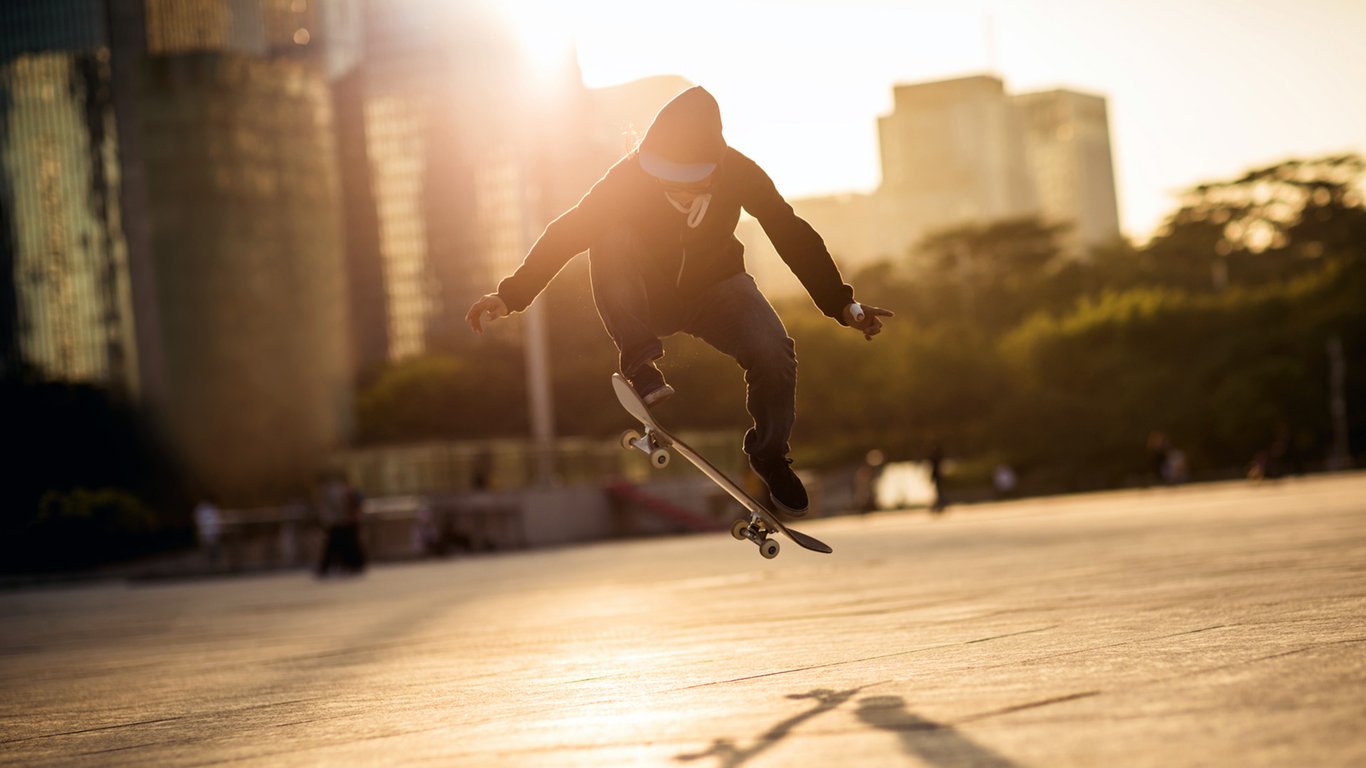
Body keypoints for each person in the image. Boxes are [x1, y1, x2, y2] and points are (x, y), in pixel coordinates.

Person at [465, 86, 892, 517]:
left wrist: (843, 304)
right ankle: (640, 365)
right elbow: (568, 231)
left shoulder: (740, 172)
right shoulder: (628, 178)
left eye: (689, 182)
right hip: (647, 293)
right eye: (668, 180)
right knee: (607, 237)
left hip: (718, 289)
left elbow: (789, 231)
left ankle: (769, 454)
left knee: (775, 353)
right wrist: (511, 294)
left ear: (714, 166)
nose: (678, 191)